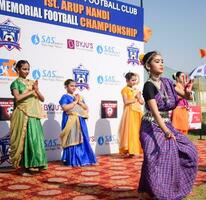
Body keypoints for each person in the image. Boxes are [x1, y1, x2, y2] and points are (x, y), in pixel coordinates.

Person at [138, 51, 198, 200]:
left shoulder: (167, 82)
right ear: (148, 65)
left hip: (166, 124)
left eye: (162, 61)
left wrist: (189, 92)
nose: (161, 64)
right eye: (157, 61)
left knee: (189, 149)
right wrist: (165, 131)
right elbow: (155, 112)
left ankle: (152, 189)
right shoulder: (148, 86)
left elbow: (185, 95)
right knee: (156, 157)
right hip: (150, 126)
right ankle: (155, 191)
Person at [10, 60, 47, 173]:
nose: (26, 71)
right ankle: (22, 168)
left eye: (28, 69)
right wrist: (31, 92)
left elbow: (42, 99)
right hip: (23, 114)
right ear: (18, 70)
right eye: (24, 69)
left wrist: (36, 90)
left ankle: (34, 163)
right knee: (24, 140)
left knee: (35, 140)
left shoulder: (32, 82)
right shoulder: (15, 83)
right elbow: (18, 98)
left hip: (34, 115)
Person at [59, 79, 97, 167]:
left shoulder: (78, 96)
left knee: (82, 139)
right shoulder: (65, 97)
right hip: (71, 121)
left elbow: (86, 108)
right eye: (71, 86)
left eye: (75, 86)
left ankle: (83, 159)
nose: (74, 87)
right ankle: (72, 160)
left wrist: (79, 101)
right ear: (66, 87)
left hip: (80, 121)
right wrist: (75, 102)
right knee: (72, 139)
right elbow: (65, 108)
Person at [119, 72, 144, 157]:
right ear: (127, 80)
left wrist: (139, 97)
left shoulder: (136, 90)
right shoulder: (124, 90)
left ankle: (136, 149)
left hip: (137, 112)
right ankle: (130, 150)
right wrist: (135, 98)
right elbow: (126, 102)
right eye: (132, 80)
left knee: (137, 131)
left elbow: (142, 102)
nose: (134, 82)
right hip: (130, 112)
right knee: (130, 131)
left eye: (135, 80)